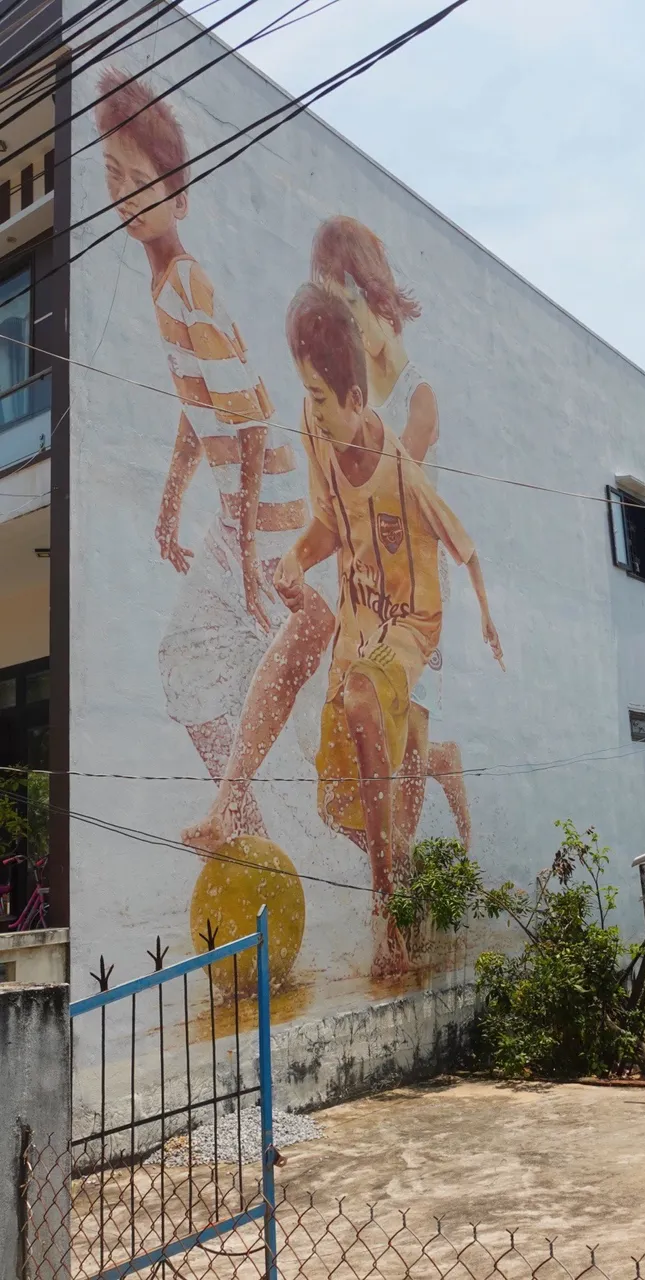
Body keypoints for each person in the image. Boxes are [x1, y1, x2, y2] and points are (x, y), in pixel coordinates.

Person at [95, 70, 334, 832]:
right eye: (113, 176)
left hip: (265, 508)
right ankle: (245, 824)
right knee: (190, 659)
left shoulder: (187, 283)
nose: (127, 195)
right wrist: (169, 512)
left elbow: (254, 423)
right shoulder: (166, 287)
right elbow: (199, 414)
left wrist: (244, 551)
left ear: (181, 197)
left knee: (224, 649)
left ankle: (239, 813)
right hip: (242, 510)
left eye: (144, 182)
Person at [279, 284, 503, 977]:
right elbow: (329, 525)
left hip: (410, 618)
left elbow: (459, 538)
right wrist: (291, 560)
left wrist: (488, 615)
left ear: (355, 399)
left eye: (321, 399)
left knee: (362, 701)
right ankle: (406, 845)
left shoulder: (400, 471)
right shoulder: (317, 429)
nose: (311, 411)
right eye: (306, 395)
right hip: (358, 619)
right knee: (333, 802)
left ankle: (388, 923)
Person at [309, 216, 471, 867]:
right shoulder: (352, 394)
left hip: (411, 591)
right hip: (365, 589)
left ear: (378, 299)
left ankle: (395, 893)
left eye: (351, 304)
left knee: (397, 730)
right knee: (353, 748)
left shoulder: (417, 398)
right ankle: (412, 827)